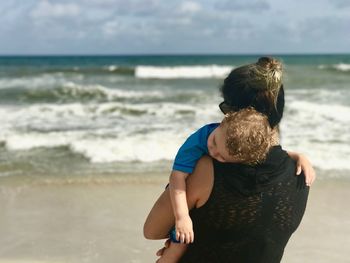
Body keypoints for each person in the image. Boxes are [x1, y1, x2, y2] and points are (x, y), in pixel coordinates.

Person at [166, 57, 315, 246]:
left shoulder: (209, 166)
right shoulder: (287, 176)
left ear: (238, 115)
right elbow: (177, 178)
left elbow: (151, 230)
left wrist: (296, 156)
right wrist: (181, 218)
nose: (215, 153)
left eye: (226, 106)